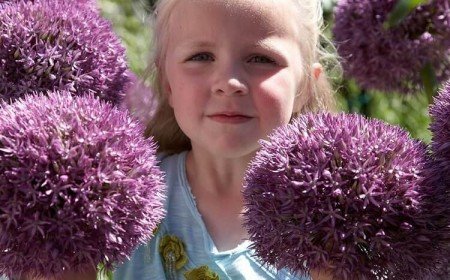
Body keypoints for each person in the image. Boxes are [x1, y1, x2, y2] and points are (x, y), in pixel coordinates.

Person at [113, 0, 338, 279]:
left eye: (261, 59)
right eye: (201, 56)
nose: (228, 82)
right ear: (167, 81)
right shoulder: (123, 194)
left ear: (304, 86)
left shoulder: (330, 218)